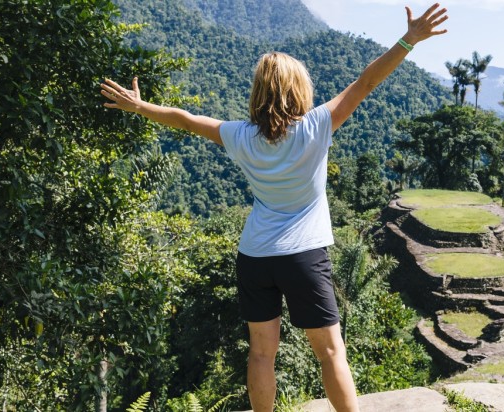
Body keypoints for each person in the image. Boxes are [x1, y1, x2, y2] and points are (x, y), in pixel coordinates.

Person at [100, 4, 447, 411]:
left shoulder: (239, 136)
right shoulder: (317, 126)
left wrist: (141, 107)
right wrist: (409, 40)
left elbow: (186, 119)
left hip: (255, 257)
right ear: (300, 89)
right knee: (331, 352)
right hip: (303, 256)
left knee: (262, 354)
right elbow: (366, 82)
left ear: (258, 92)